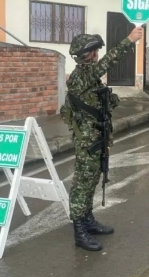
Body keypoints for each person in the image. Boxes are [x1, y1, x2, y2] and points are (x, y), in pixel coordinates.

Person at [58, 27, 144, 252]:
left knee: (93, 180)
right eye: (95, 51)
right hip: (87, 141)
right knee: (82, 184)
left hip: (96, 137)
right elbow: (109, 61)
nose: (97, 54)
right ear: (89, 54)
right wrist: (129, 40)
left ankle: (88, 220)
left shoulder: (87, 77)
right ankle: (79, 231)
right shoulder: (83, 75)